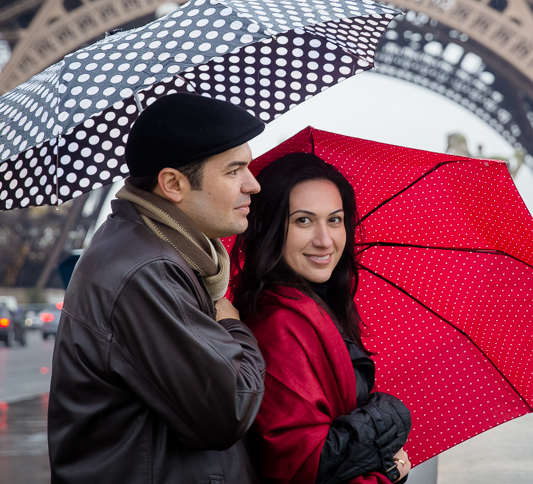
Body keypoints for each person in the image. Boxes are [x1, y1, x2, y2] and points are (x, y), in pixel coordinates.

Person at [48, 94, 267, 483]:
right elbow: (226, 411)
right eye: (234, 171)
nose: (254, 184)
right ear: (172, 184)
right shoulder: (147, 271)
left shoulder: (153, 251)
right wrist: (234, 327)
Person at [231, 153, 412, 484]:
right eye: (303, 220)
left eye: (335, 220)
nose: (325, 240)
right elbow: (302, 466)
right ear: (272, 228)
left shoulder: (320, 305)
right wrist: (387, 457)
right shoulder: (279, 326)